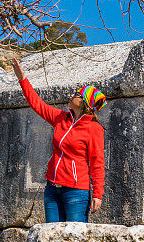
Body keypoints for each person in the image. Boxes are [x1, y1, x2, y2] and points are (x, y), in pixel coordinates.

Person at [10, 58, 106, 222]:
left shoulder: (94, 129)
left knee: (75, 240)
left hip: (76, 192)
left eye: (76, 94)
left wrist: (98, 193)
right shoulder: (61, 118)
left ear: (84, 103)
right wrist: (22, 79)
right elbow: (36, 104)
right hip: (52, 189)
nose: (71, 95)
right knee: (51, 239)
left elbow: (97, 162)